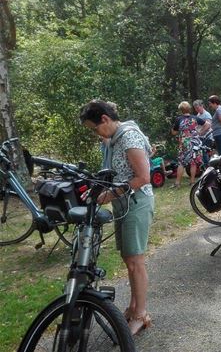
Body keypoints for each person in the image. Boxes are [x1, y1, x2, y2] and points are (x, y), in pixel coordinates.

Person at [79, 100, 154, 335]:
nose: (96, 134)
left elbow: (144, 177)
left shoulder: (128, 137)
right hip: (124, 204)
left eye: (95, 128)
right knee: (128, 259)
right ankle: (133, 307)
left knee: (135, 262)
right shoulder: (115, 136)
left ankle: (141, 315)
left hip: (137, 203)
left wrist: (108, 195)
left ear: (105, 120)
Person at [171, 101, 205, 187]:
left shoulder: (179, 119)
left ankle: (177, 183)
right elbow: (207, 124)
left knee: (181, 162)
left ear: (181, 110)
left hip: (184, 143)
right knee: (193, 162)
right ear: (189, 108)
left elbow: (174, 133)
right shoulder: (194, 118)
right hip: (195, 142)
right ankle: (192, 182)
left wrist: (174, 129)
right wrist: (200, 132)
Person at [193, 99, 214, 165]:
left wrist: (201, 132)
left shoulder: (207, 115)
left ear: (202, 106)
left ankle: (208, 167)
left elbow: (208, 125)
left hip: (207, 137)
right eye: (195, 108)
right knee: (202, 153)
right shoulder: (198, 115)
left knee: (205, 153)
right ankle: (206, 166)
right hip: (201, 137)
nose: (197, 109)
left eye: (198, 108)